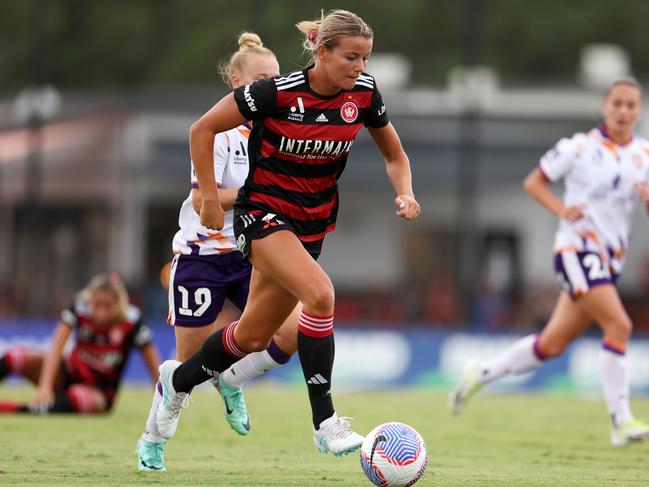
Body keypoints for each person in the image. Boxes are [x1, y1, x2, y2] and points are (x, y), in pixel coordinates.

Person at [143, 9, 420, 460]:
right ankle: (325, 423)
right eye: (351, 57)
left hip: (312, 224)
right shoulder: (275, 93)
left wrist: (405, 193)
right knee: (321, 295)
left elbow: (395, 154)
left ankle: (176, 383)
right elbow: (202, 128)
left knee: (251, 337)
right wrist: (210, 198)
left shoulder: (365, 95)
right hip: (263, 216)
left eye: (365, 59)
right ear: (322, 51)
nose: (360, 68)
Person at [450, 78, 649, 447]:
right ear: (605, 106)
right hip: (576, 252)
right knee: (618, 324)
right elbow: (534, 182)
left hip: (609, 261)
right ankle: (620, 422)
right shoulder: (578, 147)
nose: (623, 111)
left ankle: (480, 372)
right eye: (617, 103)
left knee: (552, 346)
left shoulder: (644, 154)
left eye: (631, 105)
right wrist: (562, 209)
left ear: (638, 111)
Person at [136, 32, 301, 472]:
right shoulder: (219, 130)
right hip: (202, 253)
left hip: (252, 250)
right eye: (262, 78)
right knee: (186, 364)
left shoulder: (280, 131)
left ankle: (232, 379)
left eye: (276, 78)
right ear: (237, 82)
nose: (271, 86)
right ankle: (153, 437)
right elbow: (203, 200)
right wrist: (259, 192)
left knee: (293, 332)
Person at [0, 273, 159, 414]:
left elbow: (153, 367)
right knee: (14, 356)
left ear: (119, 304)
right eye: (97, 305)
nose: (101, 313)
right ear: (90, 300)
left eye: (108, 306)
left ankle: (17, 409)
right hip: (66, 375)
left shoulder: (132, 321)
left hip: (99, 393)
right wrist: (45, 387)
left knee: (77, 396)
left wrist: (162, 403)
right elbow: (56, 347)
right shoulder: (79, 307)